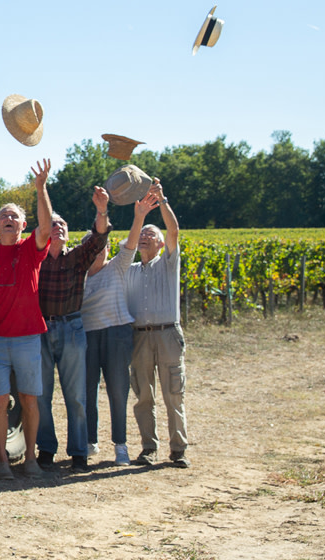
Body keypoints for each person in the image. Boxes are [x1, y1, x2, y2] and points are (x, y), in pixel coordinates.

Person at [0, 159, 55, 480]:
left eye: (15, 217)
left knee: (29, 399)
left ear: (24, 226)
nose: (9, 219)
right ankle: (2, 460)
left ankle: (31, 458)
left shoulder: (31, 249)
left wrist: (41, 188)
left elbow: (47, 227)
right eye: (4, 215)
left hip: (27, 339)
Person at [34, 187, 112, 473]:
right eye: (52, 225)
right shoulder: (36, 260)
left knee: (76, 395)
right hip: (40, 329)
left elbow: (99, 237)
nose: (57, 228)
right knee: (42, 394)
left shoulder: (78, 257)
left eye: (62, 225)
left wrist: (101, 210)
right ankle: (46, 449)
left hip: (71, 328)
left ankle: (79, 451)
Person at [80, 192, 159, 467]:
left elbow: (132, 243)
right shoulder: (77, 278)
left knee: (117, 390)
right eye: (94, 246)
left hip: (117, 335)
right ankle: (90, 442)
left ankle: (121, 446)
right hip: (88, 337)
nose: (99, 251)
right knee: (88, 390)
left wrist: (139, 216)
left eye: (103, 246)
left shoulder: (117, 267)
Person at [127, 180, 190, 468]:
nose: (144, 236)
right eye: (142, 233)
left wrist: (162, 200)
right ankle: (148, 449)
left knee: (173, 395)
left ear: (162, 243)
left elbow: (174, 229)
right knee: (143, 397)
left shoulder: (168, 263)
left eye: (151, 234)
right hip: (139, 337)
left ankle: (178, 450)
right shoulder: (130, 271)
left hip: (167, 335)